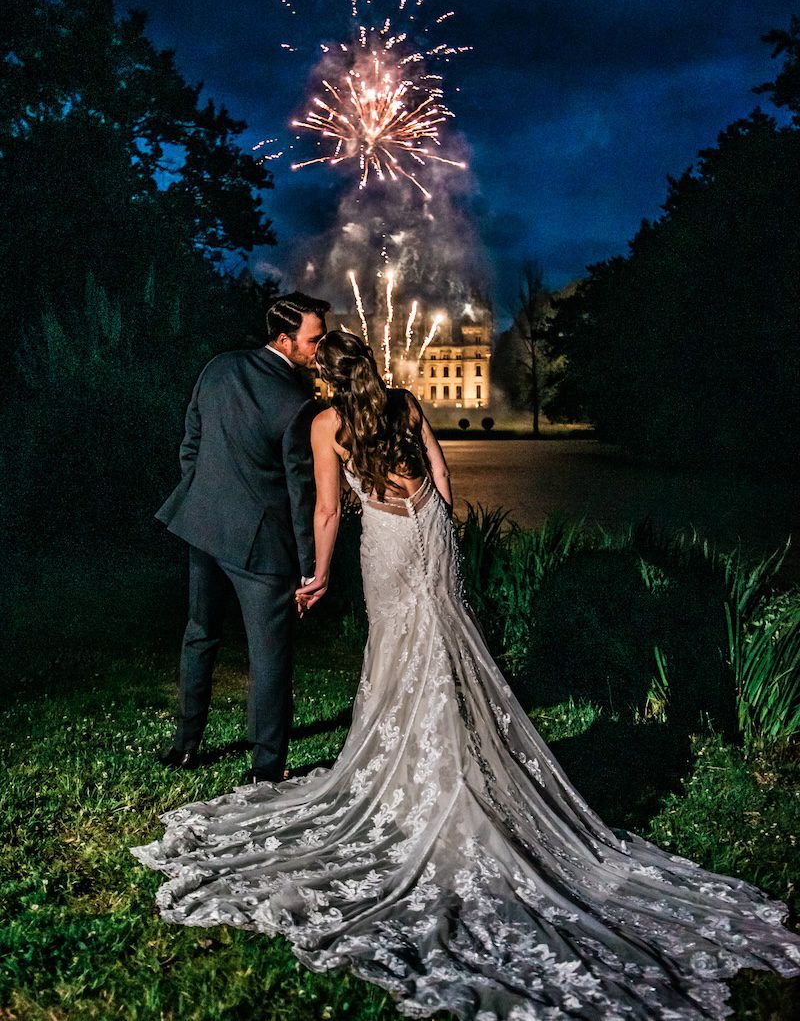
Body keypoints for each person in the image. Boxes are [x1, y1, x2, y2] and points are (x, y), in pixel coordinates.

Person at [133, 331, 800, 1020]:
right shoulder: (406, 400)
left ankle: (416, 780)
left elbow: (329, 510)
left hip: (387, 544)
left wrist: (318, 573)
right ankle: (461, 766)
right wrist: (442, 542)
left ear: (326, 378)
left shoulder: (325, 421)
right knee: (448, 651)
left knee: (397, 652)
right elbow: (443, 480)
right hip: (431, 533)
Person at [154, 292, 329, 785]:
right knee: (269, 654)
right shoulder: (299, 405)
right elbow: (301, 494)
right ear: (284, 339)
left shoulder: (218, 367)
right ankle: (266, 768)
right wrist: (307, 566)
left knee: (199, 633)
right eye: (314, 340)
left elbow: (191, 439)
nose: (319, 349)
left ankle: (186, 747)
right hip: (261, 547)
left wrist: (199, 494)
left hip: (204, 526)